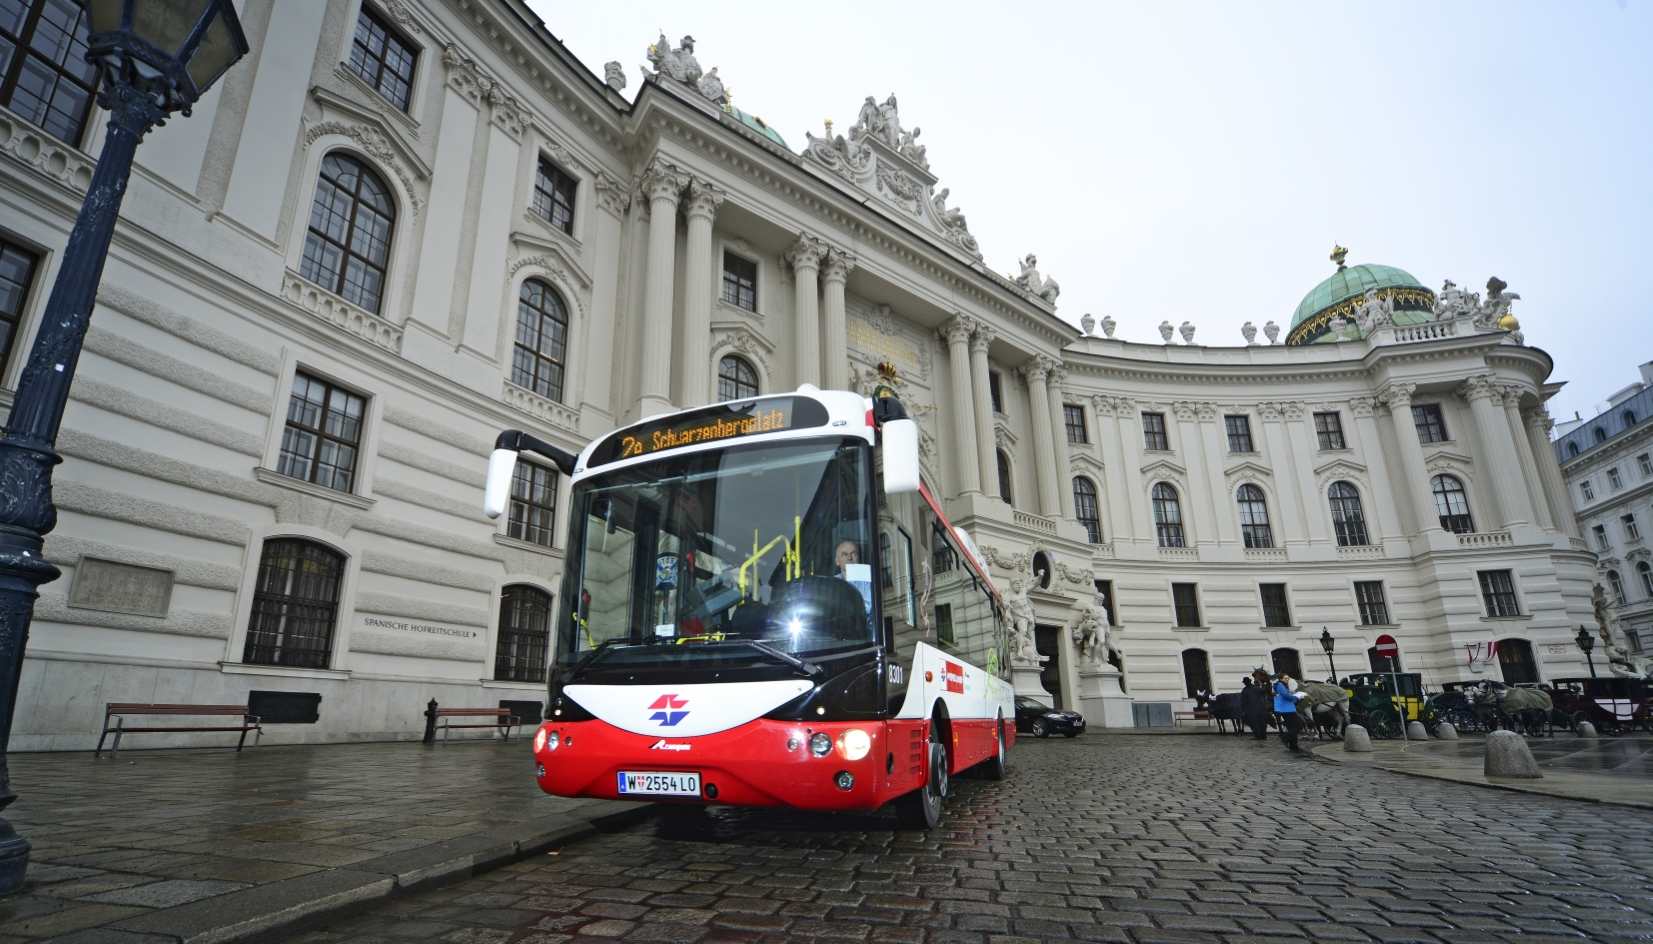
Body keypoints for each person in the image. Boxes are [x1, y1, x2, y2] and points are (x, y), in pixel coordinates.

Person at [1273, 673, 1306, 752]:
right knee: (1299, 726)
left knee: (1291, 727)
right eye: (1285, 678)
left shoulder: (1280, 685)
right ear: (1281, 679)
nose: (1287, 680)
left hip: (1286, 709)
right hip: (1287, 709)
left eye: (1288, 678)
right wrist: (1297, 697)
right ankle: (1284, 738)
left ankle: (1294, 747)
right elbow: (1286, 696)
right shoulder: (1281, 685)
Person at [1239, 676, 1269, 741]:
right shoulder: (1256, 688)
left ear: (1244, 683)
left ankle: (1258, 735)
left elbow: (1243, 701)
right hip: (1260, 708)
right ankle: (1264, 735)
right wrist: (1264, 685)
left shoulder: (1244, 691)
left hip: (1251, 710)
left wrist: (1243, 710)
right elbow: (1263, 690)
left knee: (1255, 723)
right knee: (1262, 722)